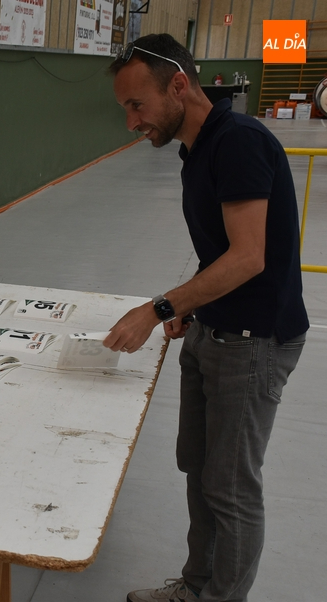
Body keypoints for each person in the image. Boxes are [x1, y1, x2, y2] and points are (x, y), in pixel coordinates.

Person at [105, 34, 308, 602]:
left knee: (231, 487)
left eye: (136, 105)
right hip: (213, 329)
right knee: (200, 472)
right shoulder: (195, 149)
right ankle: (196, 587)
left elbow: (248, 257)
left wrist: (160, 308)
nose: (131, 122)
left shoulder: (238, 141)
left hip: (254, 342)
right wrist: (193, 309)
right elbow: (220, 253)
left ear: (178, 85)